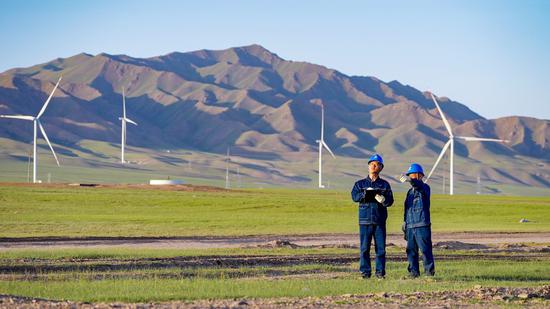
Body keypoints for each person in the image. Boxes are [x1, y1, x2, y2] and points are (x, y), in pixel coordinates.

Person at [351, 154, 394, 278]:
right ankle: (365, 272)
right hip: (364, 221)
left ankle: (380, 273)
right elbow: (354, 197)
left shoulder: (385, 185)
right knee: (364, 249)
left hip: (379, 221)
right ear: (368, 166)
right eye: (372, 164)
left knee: (380, 250)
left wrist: (383, 199)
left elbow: (390, 201)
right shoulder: (359, 184)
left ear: (381, 168)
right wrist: (365, 194)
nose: (374, 166)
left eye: (377, 164)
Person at [400, 163, 435, 277]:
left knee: (425, 250)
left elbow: (418, 185)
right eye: (410, 175)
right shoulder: (409, 192)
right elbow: (407, 209)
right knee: (411, 251)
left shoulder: (425, 188)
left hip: (422, 224)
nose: (411, 177)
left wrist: (411, 180)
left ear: (420, 176)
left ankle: (429, 273)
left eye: (413, 175)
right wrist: (405, 223)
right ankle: (413, 273)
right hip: (410, 226)